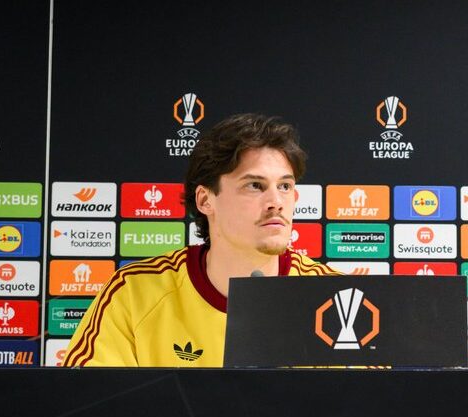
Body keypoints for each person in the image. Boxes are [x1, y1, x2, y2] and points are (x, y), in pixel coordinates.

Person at [64, 113, 336, 367]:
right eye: (255, 185)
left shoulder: (334, 295)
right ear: (206, 200)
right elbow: (85, 398)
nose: (276, 202)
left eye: (285, 186)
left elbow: (359, 399)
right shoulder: (133, 294)